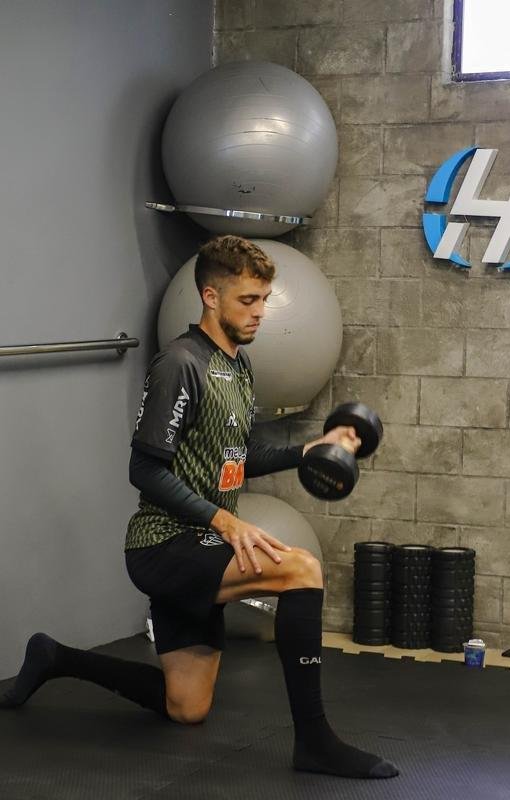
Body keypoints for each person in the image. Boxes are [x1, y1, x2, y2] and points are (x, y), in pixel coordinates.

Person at [1, 235, 398, 780]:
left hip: (205, 544)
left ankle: (56, 657)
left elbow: (240, 457)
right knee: (301, 569)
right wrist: (224, 519)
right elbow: (144, 470)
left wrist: (310, 450)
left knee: (186, 706)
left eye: (264, 299)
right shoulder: (180, 364)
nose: (260, 313)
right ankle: (315, 742)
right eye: (247, 300)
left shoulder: (238, 366)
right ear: (211, 297)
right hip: (163, 544)